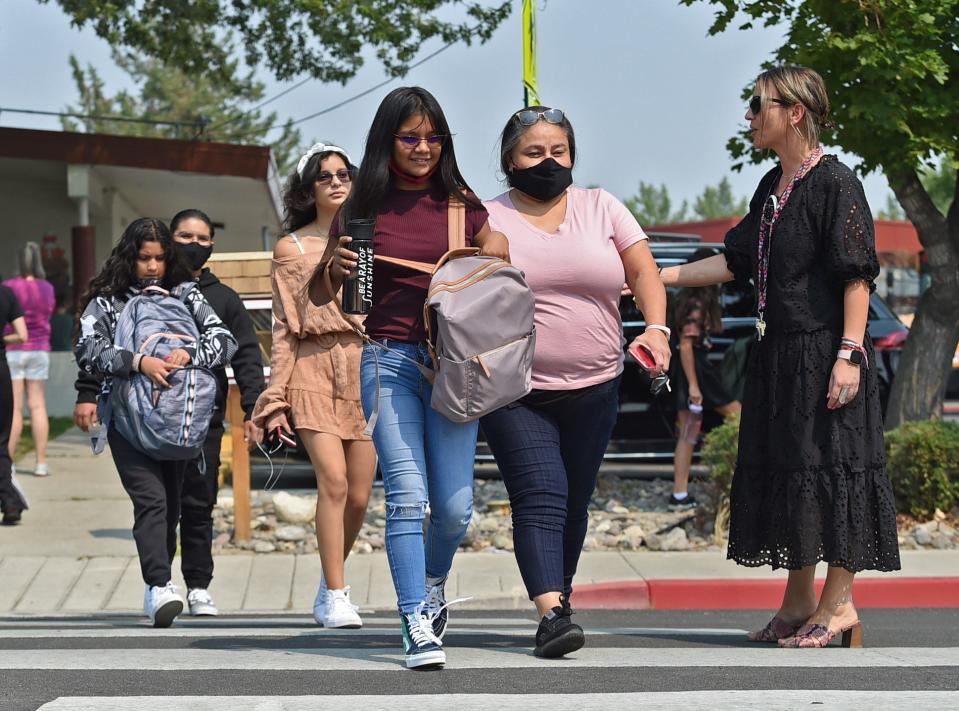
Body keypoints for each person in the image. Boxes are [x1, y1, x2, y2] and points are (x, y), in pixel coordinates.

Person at [660, 65, 900, 648]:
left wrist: (848, 354)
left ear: (794, 112)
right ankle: (797, 604)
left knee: (836, 472)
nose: (748, 116)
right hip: (780, 357)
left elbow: (856, 277)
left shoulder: (837, 183)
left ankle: (838, 606)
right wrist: (653, 277)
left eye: (757, 104)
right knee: (797, 477)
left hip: (826, 353)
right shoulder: (772, 187)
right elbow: (733, 260)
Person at [322, 86, 510, 669]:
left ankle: (432, 582)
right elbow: (323, 288)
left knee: (455, 511)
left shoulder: (460, 205)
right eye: (410, 137)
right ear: (388, 141)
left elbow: (495, 248)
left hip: (453, 368)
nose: (423, 147)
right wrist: (332, 269)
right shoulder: (361, 209)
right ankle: (414, 621)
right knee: (407, 497)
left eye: (433, 137)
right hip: (386, 360)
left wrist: (495, 248)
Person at [479, 106, 671, 658]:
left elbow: (643, 272)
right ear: (508, 161)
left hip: (596, 385)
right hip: (515, 389)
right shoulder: (487, 218)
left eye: (557, 152)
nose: (547, 162)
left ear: (573, 155)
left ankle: (558, 601)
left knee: (574, 501)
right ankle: (550, 614)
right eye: (533, 153)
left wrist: (655, 329)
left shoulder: (602, 206)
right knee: (541, 493)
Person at [75, 210, 265, 617]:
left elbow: (226, 341)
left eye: (159, 258)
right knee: (151, 502)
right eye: (144, 258)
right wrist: (138, 363)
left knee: (178, 507)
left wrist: (191, 353)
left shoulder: (185, 294)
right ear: (129, 256)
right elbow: (88, 349)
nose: (152, 267)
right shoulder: (108, 301)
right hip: (127, 421)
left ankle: (175, 584)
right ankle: (159, 585)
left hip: (180, 423)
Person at [252, 143, 376, 629]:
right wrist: (275, 395)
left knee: (362, 495)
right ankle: (339, 592)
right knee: (335, 481)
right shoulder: (293, 247)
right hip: (312, 365)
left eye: (344, 174)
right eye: (324, 176)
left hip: (366, 366)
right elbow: (285, 327)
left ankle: (328, 585)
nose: (336, 182)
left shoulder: (370, 239)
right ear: (309, 188)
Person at [668, 247, 741, 511]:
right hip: (695, 370)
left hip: (688, 371)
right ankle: (742, 482)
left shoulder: (685, 300)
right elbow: (687, 346)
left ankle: (679, 494)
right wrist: (695, 386)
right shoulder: (697, 303)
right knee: (739, 418)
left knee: (688, 433)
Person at [3, 242, 56, 477]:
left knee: (13, 408)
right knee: (38, 405)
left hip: (12, 347)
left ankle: (9, 462)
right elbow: (49, 312)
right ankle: (41, 463)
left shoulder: (8, 286)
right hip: (39, 348)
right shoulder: (47, 288)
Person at [0, 280, 29, 524]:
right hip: (1, 376)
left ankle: (10, 499)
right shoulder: (6, 293)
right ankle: (10, 502)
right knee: (1, 443)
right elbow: (22, 334)